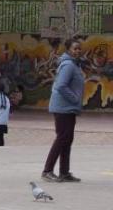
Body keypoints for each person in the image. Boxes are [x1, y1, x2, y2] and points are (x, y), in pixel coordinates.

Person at [42, 38, 84, 183]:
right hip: (63, 108)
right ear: (68, 50)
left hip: (68, 108)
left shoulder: (74, 65)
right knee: (62, 138)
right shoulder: (68, 65)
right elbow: (61, 86)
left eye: (79, 48)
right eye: (75, 48)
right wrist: (74, 99)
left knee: (67, 139)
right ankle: (47, 171)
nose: (78, 51)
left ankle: (64, 172)